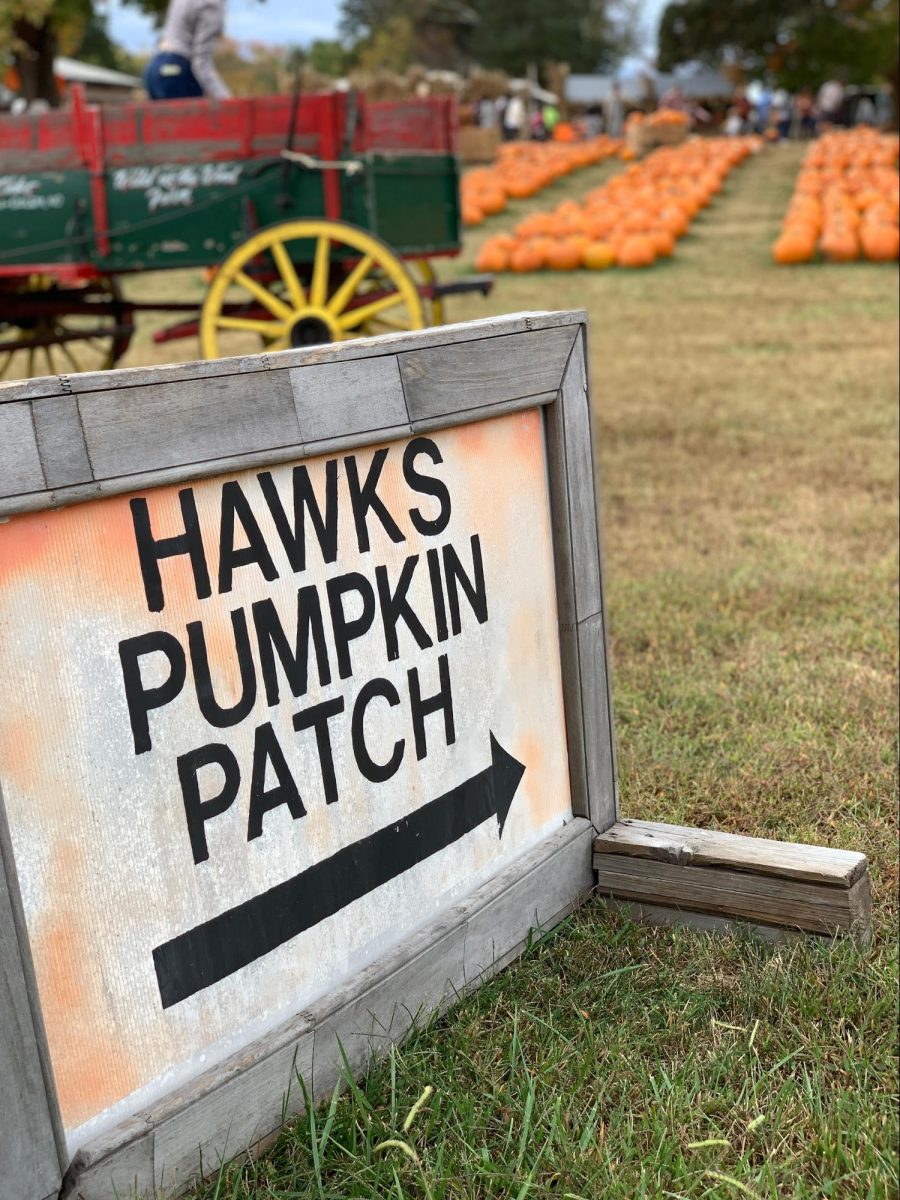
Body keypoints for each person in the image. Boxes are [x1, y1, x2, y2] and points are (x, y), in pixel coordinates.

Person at [145, 0, 231, 101]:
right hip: (177, 71)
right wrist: (227, 100)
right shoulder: (211, 7)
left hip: (154, 69)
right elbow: (201, 62)